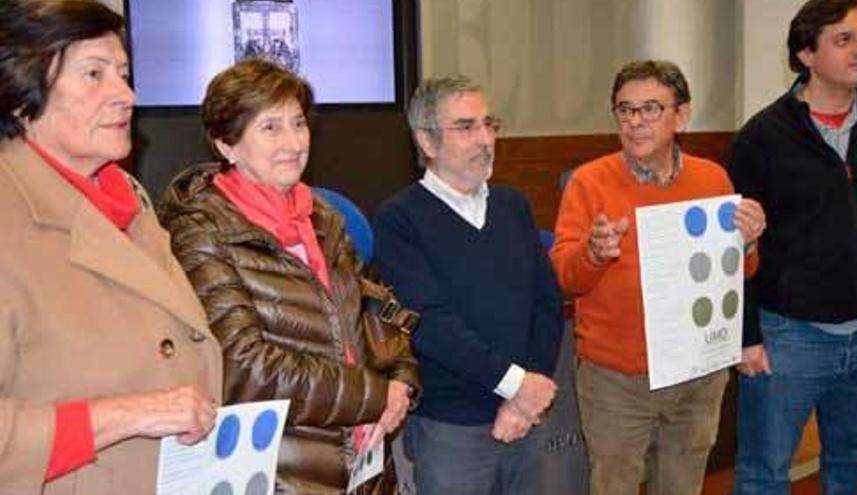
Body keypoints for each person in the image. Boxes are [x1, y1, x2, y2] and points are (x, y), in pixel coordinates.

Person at [158, 58, 420, 495]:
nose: (293, 142)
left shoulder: (324, 218)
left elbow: (376, 314)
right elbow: (243, 364)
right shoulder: (200, 230)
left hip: (363, 467)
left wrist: (402, 381)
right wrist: (373, 395)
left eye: (299, 124)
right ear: (227, 145)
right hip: (281, 475)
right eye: (270, 127)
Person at [0, 1, 223, 493]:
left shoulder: (128, 205)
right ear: (22, 94)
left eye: (122, 73)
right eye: (93, 74)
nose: (126, 94)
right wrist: (121, 416)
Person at [551, 60, 765, 495]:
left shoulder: (713, 178)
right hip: (617, 380)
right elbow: (564, 278)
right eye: (625, 110)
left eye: (650, 108)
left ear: (681, 116)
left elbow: (738, 274)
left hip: (697, 376)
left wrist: (748, 243)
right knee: (613, 487)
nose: (635, 121)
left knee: (682, 487)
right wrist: (593, 253)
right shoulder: (588, 183)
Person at [373, 76, 564, 495]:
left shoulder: (513, 205)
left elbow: (547, 302)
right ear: (426, 141)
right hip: (452, 426)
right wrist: (517, 386)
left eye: (488, 124)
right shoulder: (398, 219)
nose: (485, 139)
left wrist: (528, 393)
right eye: (466, 127)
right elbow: (430, 324)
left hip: (528, 415)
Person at [727, 1, 857, 493]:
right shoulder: (763, 137)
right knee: (763, 474)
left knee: (856, 469)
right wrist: (745, 335)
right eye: (844, 39)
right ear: (805, 53)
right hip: (788, 336)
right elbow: (735, 247)